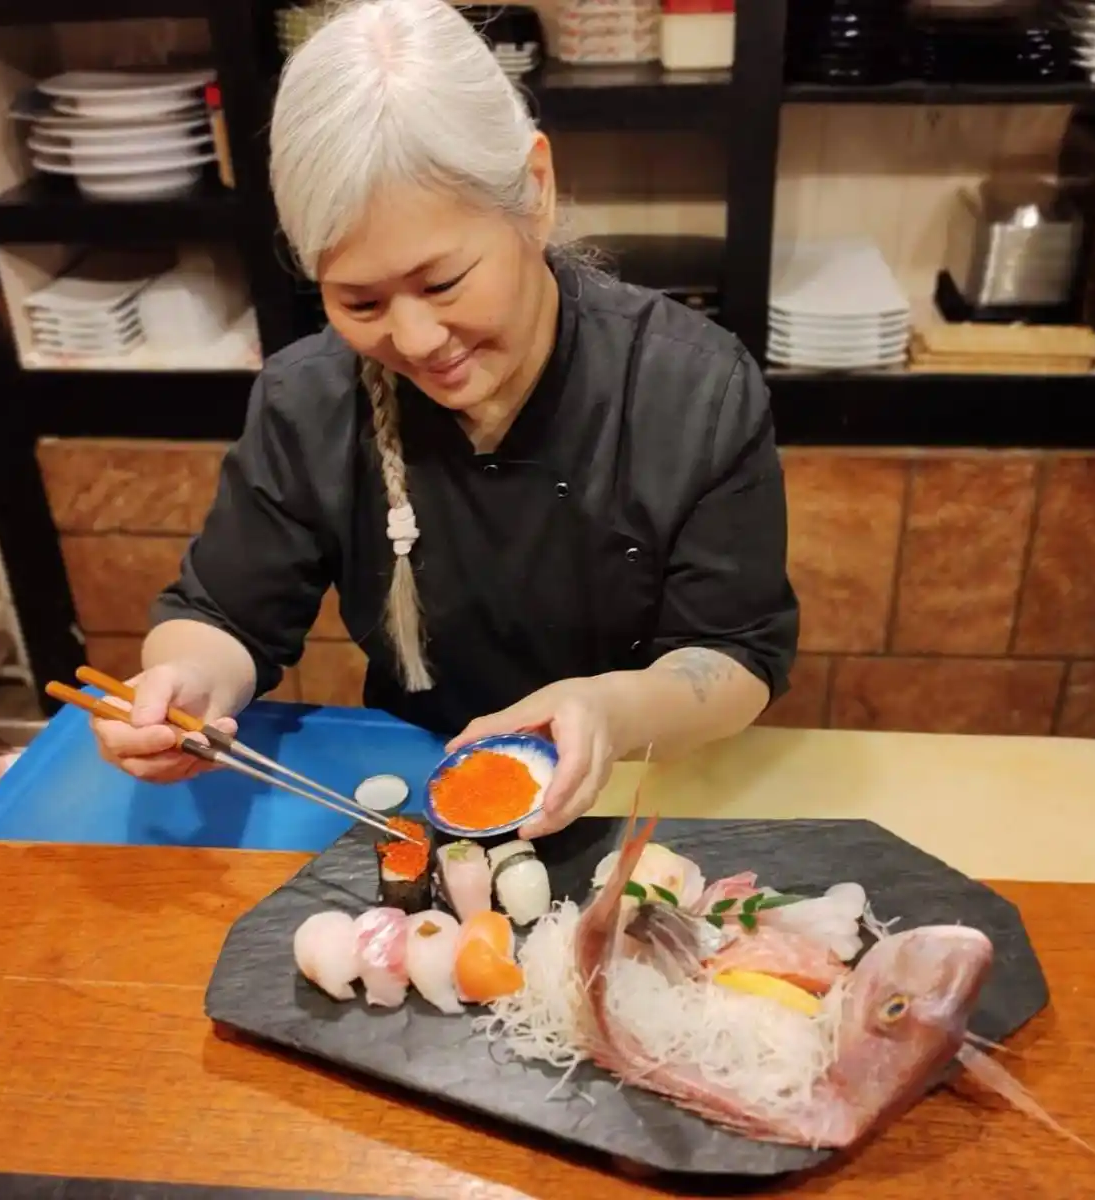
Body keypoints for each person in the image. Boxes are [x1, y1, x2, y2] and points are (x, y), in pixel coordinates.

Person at [91, 0, 800, 839]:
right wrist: (186, 684)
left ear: (533, 191)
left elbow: (737, 657)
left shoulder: (690, 386)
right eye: (359, 300)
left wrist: (606, 710)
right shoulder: (309, 398)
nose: (417, 340)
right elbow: (223, 618)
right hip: (414, 801)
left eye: (443, 283)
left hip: (643, 792)